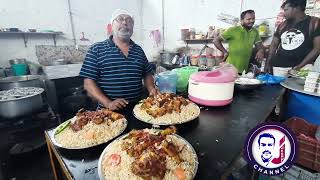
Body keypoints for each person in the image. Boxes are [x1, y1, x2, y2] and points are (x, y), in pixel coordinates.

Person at [79, 9, 158, 112]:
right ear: (111, 25)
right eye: (120, 19)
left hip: (138, 110)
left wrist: (152, 89)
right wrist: (108, 103)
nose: (125, 22)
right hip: (108, 113)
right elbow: (88, 83)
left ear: (132, 27)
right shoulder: (97, 49)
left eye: (129, 20)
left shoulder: (138, 50)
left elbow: (147, 74)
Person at [265, 0, 320, 72]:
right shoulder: (282, 25)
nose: (284, 13)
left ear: (297, 8)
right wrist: (268, 63)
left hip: (301, 70)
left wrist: (299, 67)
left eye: (286, 10)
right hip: (278, 68)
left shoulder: (314, 23)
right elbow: (274, 45)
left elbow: (317, 48)